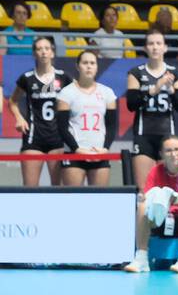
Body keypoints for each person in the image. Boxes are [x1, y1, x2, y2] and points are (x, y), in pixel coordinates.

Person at [124, 136, 178, 274]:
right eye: (168, 151)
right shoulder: (155, 171)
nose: (173, 154)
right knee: (142, 207)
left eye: (177, 149)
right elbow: (148, 198)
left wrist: (176, 199)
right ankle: (141, 259)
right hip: (162, 220)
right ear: (161, 154)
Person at [125, 28, 178, 192]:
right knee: (144, 190)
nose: (155, 47)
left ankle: (169, 218)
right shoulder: (136, 73)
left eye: (159, 43)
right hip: (144, 134)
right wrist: (155, 88)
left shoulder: (175, 73)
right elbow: (131, 105)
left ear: (165, 47)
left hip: (167, 135)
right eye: (151, 44)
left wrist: (171, 89)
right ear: (145, 48)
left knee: (168, 190)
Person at [7, 35, 72, 187]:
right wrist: (19, 118)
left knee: (58, 189)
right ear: (34, 53)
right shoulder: (27, 78)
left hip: (58, 138)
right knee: (29, 189)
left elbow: (77, 98)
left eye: (47, 48)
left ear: (52, 53)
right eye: (39, 49)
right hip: (33, 138)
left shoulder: (64, 77)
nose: (43, 52)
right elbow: (12, 101)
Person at [55, 49, 117, 188]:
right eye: (85, 63)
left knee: (99, 201)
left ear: (97, 66)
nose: (89, 66)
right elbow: (62, 127)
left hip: (99, 153)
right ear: (78, 66)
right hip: (74, 154)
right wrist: (76, 149)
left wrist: (105, 149)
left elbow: (112, 126)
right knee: (74, 201)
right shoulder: (66, 93)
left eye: (92, 63)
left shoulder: (107, 93)